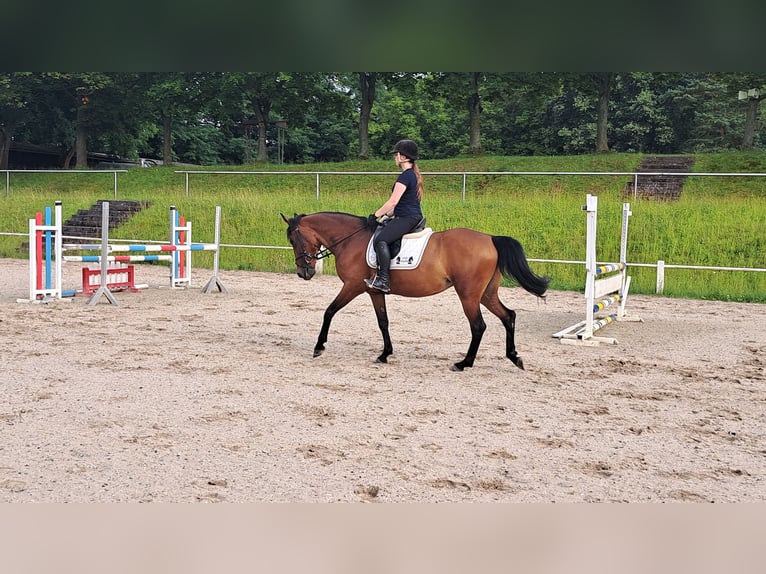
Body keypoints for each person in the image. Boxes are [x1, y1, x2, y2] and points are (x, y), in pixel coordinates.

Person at [365, 139, 425, 293]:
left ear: (403, 157)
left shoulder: (405, 176)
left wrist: (374, 215)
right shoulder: (411, 175)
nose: (394, 158)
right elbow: (397, 206)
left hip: (408, 218)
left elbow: (392, 202)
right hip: (408, 216)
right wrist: (384, 217)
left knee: (381, 239)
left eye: (396, 155)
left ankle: (383, 280)